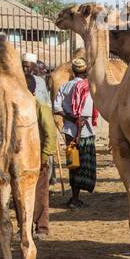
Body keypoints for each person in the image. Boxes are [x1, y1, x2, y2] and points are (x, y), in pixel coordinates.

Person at [52, 57, 96, 207]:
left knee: (73, 163)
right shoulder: (88, 88)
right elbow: (83, 116)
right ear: (85, 71)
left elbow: (57, 108)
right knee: (84, 163)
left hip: (69, 130)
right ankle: (76, 198)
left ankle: (74, 196)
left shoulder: (64, 87)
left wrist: (69, 117)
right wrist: (77, 124)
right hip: (84, 132)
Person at [25, 65, 57, 237]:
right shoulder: (20, 108)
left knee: (40, 193)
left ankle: (41, 227)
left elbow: (50, 134)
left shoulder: (40, 108)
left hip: (38, 157)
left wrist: (44, 156)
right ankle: (25, 227)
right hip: (23, 158)